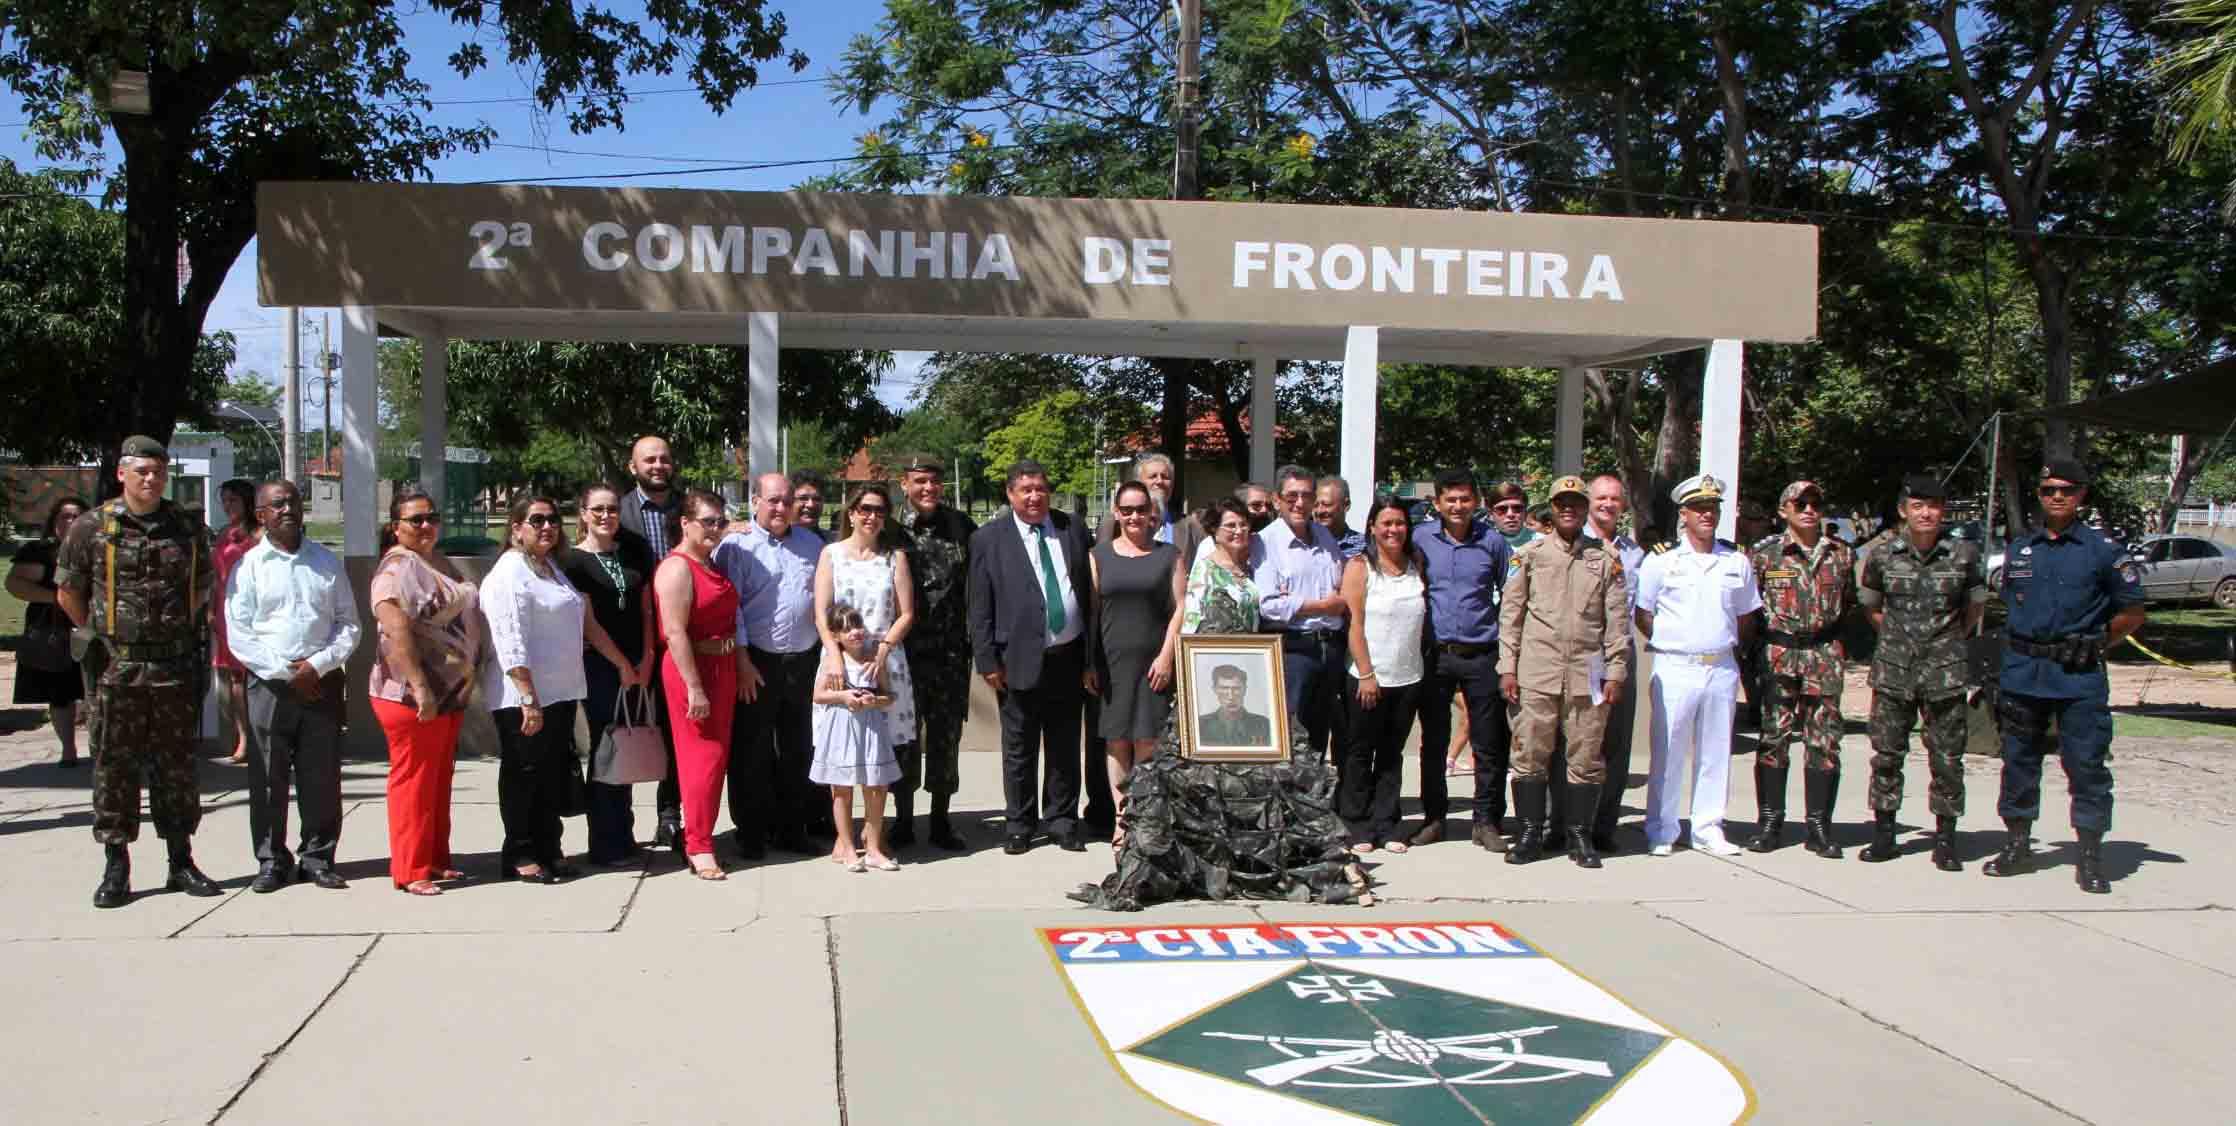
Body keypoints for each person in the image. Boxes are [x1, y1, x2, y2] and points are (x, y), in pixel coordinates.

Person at [54, 436, 221, 908]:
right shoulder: (91, 528)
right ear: (122, 474)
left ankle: (180, 861)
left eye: (159, 471)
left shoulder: (186, 528)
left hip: (174, 665)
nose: (152, 479)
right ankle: (116, 865)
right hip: (116, 668)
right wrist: (97, 632)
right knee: (114, 766)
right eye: (143, 471)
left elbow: (202, 588)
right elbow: (68, 591)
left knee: (177, 767)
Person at [1987, 459, 2146, 894]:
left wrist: (2099, 641)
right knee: (2018, 763)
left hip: (2077, 676)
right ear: (2038, 495)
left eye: (2067, 490)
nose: (2057, 496)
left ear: (2081, 496)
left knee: (2087, 766)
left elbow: (2133, 613)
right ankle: (2018, 845)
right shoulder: (2021, 548)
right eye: (2048, 489)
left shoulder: (2103, 551)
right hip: (2023, 673)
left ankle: (2090, 856)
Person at [482, 497, 641, 883]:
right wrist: (527, 696)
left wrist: (622, 664)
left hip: (562, 692)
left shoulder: (550, 568)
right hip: (523, 696)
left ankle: (549, 848)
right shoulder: (509, 574)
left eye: (553, 519)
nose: (547, 527)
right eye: (536, 520)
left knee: (551, 775)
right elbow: (509, 638)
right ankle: (520, 853)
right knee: (524, 775)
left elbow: (585, 623)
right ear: (516, 527)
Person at [224, 480, 361, 892]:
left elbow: (349, 624)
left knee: (321, 775)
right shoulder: (248, 566)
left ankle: (317, 857)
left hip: (321, 684)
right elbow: (239, 631)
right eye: (276, 505)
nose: (287, 510)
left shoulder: (325, 562)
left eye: (293, 502)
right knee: (268, 776)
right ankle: (271, 861)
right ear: (261, 514)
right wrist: (287, 672)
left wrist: (316, 667)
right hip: (270, 686)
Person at [1499, 475, 1631, 868]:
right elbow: (1511, 615)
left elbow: (1617, 620)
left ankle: (1579, 835)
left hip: (1586, 674)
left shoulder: (1605, 558)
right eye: (1562, 503)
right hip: (1537, 672)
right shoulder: (1531, 555)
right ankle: (1528, 834)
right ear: (1552, 509)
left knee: (1586, 756)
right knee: (1529, 755)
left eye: (1576, 502)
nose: (1568, 509)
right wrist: (1507, 667)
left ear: (1585, 507)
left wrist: (1617, 671)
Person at [1855, 475, 1986, 870]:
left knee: (1947, 757)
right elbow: (1872, 607)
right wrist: (1900, 641)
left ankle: (1946, 839)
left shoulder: (1963, 554)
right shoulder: (1883, 555)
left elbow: (1974, 609)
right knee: (1887, 754)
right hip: (1895, 670)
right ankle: (1884, 834)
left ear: (1943, 511)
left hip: (1944, 671)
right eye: (1918, 506)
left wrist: (1944, 643)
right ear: (1903, 511)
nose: (1926, 513)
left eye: (1933, 506)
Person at [969, 459, 1097, 855]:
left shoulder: (1071, 527)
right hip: (1016, 660)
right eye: (1025, 489)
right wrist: (987, 661)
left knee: (1062, 745)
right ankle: (1020, 824)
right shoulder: (989, 539)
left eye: (1040, 488)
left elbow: (1089, 595)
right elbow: (979, 605)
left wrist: (1091, 659)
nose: (1034, 496)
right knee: (1019, 747)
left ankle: (1061, 820)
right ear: (1010, 494)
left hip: (1068, 656)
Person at [1635, 474, 1762, 858]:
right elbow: (1643, 612)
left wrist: (1722, 645)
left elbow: (1746, 616)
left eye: (1714, 508)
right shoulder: (1662, 559)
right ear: (1683, 514)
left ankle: (1709, 827)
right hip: (1675, 665)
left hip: (1720, 665)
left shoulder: (1736, 560)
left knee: (1716, 751)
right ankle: (1662, 827)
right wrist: (1675, 641)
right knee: (1669, 750)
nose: (1708, 515)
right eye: (1700, 509)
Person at [367, 485, 484, 895]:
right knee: (413, 782)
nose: (426, 525)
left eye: (432, 517)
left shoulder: (432, 561)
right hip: (411, 697)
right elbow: (394, 625)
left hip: (448, 694)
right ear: (395, 527)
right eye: (415, 520)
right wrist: (420, 687)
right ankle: (411, 869)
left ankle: (434, 859)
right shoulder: (397, 567)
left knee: (436, 780)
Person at [715, 472, 827, 858]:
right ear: (756, 501)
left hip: (804, 661)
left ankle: (791, 829)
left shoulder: (813, 545)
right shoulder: (736, 547)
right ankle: (750, 831)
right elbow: (732, 611)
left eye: (786, 500)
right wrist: (743, 662)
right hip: (755, 661)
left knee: (798, 749)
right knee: (752, 751)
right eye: (773, 500)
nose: (781, 508)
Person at [1745, 479, 1856, 857]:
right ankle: (1770, 823)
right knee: (1774, 738)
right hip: (1779, 653)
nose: (1809, 509)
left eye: (1815, 503)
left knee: (1824, 741)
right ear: (1784, 511)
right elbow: (1750, 608)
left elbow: (1849, 603)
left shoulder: (1842, 555)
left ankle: (1819, 827)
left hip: (1823, 654)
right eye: (1801, 503)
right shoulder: (1765, 556)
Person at [1410, 469, 1516, 850]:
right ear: (1437, 503)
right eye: (1450, 500)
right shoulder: (1420, 538)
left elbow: (1511, 596)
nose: (1458, 506)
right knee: (1434, 743)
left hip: (1482, 653)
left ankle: (1486, 821)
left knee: (1489, 745)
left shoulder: (1493, 542)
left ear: (1477, 502)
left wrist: (1509, 655)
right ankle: (1434, 818)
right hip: (1436, 656)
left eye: (1465, 499)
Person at [557, 483, 658, 866]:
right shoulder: (574, 562)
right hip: (601, 666)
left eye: (612, 509)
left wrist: (646, 658)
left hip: (638, 663)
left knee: (629, 744)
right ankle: (605, 841)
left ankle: (625, 833)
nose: (605, 516)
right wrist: (620, 664)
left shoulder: (632, 553)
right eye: (597, 509)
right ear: (583, 513)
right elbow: (589, 623)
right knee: (606, 747)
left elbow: (646, 608)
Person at [813, 481, 917, 848]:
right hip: (841, 660)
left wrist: (885, 649)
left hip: (883, 661)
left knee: (880, 752)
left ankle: (874, 834)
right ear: (851, 512)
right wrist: (835, 655)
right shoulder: (832, 555)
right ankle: (844, 838)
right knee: (842, 749)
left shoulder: (894, 558)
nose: (872, 516)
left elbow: (906, 614)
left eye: (879, 510)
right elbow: (822, 615)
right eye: (865, 509)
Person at [652, 489, 741, 881]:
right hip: (694, 671)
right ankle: (698, 846)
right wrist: (695, 687)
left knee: (716, 759)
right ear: (685, 523)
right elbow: (674, 631)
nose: (716, 528)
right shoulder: (677, 568)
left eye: (721, 521)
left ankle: (702, 835)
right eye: (708, 521)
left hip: (721, 667)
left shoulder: (710, 562)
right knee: (700, 761)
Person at [1091, 480, 1183, 843]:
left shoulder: (1170, 555)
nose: (1133, 516)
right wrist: (1089, 664)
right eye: (1126, 510)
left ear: (1151, 514)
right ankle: (1121, 819)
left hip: (1153, 665)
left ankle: (1145, 817)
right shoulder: (1098, 555)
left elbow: (1180, 610)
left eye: (1140, 510)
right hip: (1112, 664)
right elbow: (1092, 613)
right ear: (1117, 513)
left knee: (1146, 741)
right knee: (1116, 742)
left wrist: (1166, 656)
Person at [897, 455, 978, 850]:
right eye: (920, 481)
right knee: (905, 739)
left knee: (946, 738)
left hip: (949, 655)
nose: (928, 488)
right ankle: (903, 820)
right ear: (905, 484)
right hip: (905, 655)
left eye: (934, 482)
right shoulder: (891, 528)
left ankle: (942, 820)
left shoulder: (961, 526)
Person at [1337, 495, 1427, 853]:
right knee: (1360, 751)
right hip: (1368, 676)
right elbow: (1354, 625)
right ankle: (1356, 824)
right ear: (1372, 527)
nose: (1394, 530)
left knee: (1392, 754)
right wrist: (1366, 673)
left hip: (1408, 676)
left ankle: (1387, 823)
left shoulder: (1417, 563)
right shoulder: (1360, 567)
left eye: (1400, 523)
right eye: (1386, 523)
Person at [1253, 465, 1348, 765]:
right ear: (1276, 500)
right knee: (1291, 734)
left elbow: (1339, 584)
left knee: (1320, 735)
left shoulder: (1324, 536)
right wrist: (1322, 606)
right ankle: (1289, 806)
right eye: (1291, 495)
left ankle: (1314, 804)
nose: (1300, 502)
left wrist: (1296, 600)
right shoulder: (1264, 543)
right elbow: (1269, 604)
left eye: (1307, 495)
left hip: (1329, 647)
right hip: (1293, 649)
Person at [617, 434, 685, 848]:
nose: (658, 465)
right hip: (633, 639)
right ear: (633, 466)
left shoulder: (689, 507)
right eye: (649, 460)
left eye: (664, 459)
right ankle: (617, 828)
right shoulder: (618, 512)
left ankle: (670, 815)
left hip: (682, 638)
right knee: (625, 731)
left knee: (676, 733)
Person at [810, 602, 903, 872]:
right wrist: (843, 696)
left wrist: (875, 700)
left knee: (876, 787)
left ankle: (873, 847)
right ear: (836, 636)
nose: (854, 633)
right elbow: (818, 695)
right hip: (841, 727)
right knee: (841, 789)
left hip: (871, 728)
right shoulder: (832, 661)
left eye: (857, 626)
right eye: (846, 629)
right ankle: (848, 848)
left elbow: (889, 695)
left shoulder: (874, 659)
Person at [1580, 474, 1645, 851]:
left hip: (1620, 654)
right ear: (1590, 501)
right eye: (1601, 497)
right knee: (1578, 740)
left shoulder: (1635, 553)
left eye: (1615, 499)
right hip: (1583, 653)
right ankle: (1572, 822)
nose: (1608, 504)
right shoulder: (1573, 543)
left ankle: (1604, 825)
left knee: (1616, 744)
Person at [7, 495, 90, 767]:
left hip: (94, 626)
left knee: (100, 692)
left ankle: (103, 748)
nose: (71, 520)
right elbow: (14, 583)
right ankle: (68, 750)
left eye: (76, 515)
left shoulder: (100, 549)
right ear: (54, 522)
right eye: (65, 516)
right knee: (61, 694)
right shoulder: (39, 552)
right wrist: (55, 598)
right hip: (54, 628)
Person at [211, 478, 260, 765]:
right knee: (234, 679)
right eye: (225, 501)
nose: (228, 506)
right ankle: (243, 738)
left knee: (255, 676)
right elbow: (216, 575)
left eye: (234, 500)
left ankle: (262, 736)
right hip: (224, 611)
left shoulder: (259, 533)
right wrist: (211, 609)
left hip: (252, 614)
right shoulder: (223, 534)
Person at [1100, 451, 1205, 566]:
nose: (1160, 481)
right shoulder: (1113, 524)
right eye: (1153, 476)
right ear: (1138, 483)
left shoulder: (1190, 527)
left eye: (1165, 477)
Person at [1181, 498, 1262, 633]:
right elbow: (1191, 618)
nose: (1239, 531)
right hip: (1215, 649)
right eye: (1231, 526)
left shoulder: (1253, 566)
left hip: (1250, 650)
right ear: (1214, 529)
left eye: (1243, 524)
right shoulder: (1205, 569)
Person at [1196, 664, 1273, 743]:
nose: (1231, 696)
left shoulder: (1263, 725)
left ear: (1244, 690)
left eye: (1236, 688)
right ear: (1215, 690)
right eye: (1224, 688)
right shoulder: (1200, 725)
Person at [1315, 477, 1366, 560]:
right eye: (1315, 505)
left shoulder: (1366, 547)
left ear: (1346, 505)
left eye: (1327, 504)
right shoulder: (1304, 545)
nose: (1319, 511)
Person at [1489, 481, 1535, 548]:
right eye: (1502, 509)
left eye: (1517, 508)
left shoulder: (1543, 542)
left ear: (1525, 512)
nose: (1510, 514)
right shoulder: (1482, 547)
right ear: (1491, 515)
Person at [791, 469, 832, 536]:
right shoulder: (774, 543)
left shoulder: (833, 542)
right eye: (803, 498)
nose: (811, 505)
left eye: (817, 499)